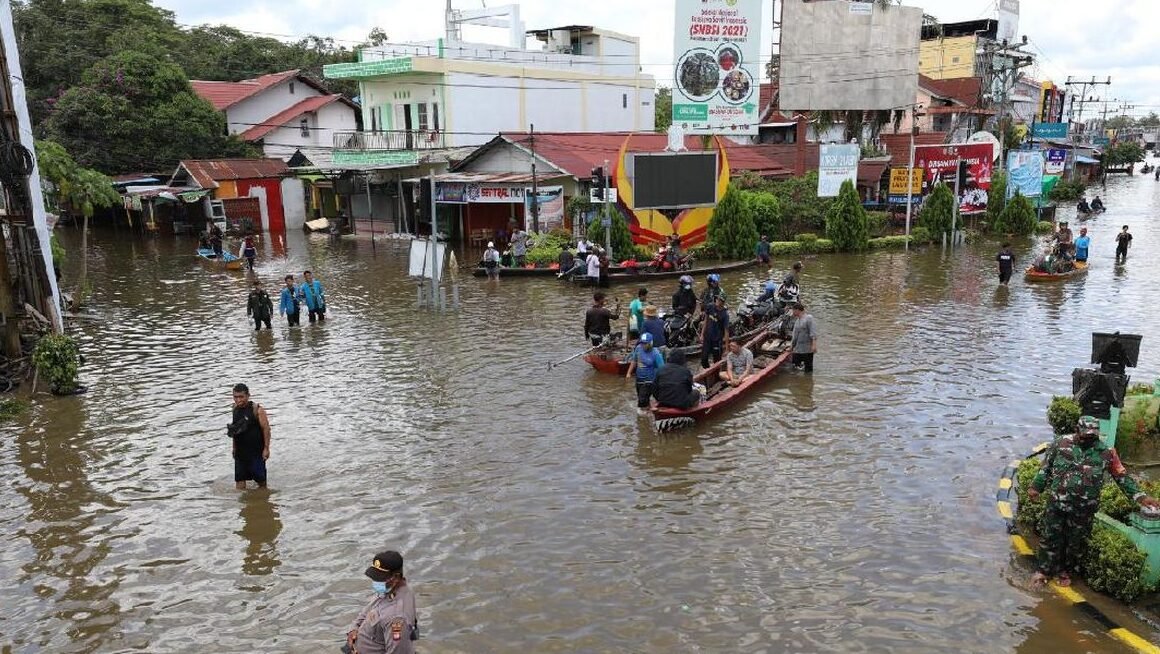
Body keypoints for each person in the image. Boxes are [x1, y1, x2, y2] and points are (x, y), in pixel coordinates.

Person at [1028, 417, 1160, 587]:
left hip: (1084, 510)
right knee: (1050, 537)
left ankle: (1064, 571)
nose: (1089, 439)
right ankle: (1043, 571)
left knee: (1076, 542)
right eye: (1085, 435)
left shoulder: (1106, 452)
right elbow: (1045, 467)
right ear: (1077, 430)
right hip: (1057, 504)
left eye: (1093, 436)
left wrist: (1141, 497)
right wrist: (1036, 487)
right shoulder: (1061, 443)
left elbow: (1122, 477)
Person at [346, 550, 419, 654]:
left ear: (396, 577)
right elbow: (367, 610)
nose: (375, 582)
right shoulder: (390, 589)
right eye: (374, 577)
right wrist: (353, 629)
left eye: (379, 578)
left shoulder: (397, 618)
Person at [228, 383, 270, 490]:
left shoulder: (257, 410)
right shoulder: (235, 409)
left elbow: (266, 429)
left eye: (241, 397)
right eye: (235, 397)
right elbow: (235, 430)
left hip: (256, 452)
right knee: (239, 484)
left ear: (248, 396)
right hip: (240, 453)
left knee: (261, 483)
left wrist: (266, 448)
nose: (238, 400)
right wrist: (234, 448)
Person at [625, 332, 665, 413]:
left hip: (649, 381)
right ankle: (649, 410)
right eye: (642, 343)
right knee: (642, 398)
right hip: (639, 380)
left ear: (650, 343)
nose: (643, 345)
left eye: (645, 343)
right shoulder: (638, 348)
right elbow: (634, 361)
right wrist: (628, 373)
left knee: (642, 402)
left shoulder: (656, 354)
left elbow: (662, 369)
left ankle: (643, 417)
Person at [700, 295, 729, 369]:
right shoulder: (710, 307)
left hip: (717, 340)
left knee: (717, 361)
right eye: (717, 299)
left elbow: (726, 331)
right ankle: (708, 370)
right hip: (707, 337)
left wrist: (726, 349)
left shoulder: (725, 315)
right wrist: (702, 334)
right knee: (703, 359)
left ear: (723, 302)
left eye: (720, 300)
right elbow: (706, 321)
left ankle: (716, 373)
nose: (717, 301)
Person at [790, 302, 817, 373]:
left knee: (808, 370)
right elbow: (795, 337)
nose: (792, 312)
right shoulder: (797, 321)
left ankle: (808, 379)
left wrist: (814, 345)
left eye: (793, 310)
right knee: (794, 367)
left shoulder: (809, 318)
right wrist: (791, 347)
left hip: (807, 349)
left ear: (797, 310)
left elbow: (813, 332)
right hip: (798, 349)